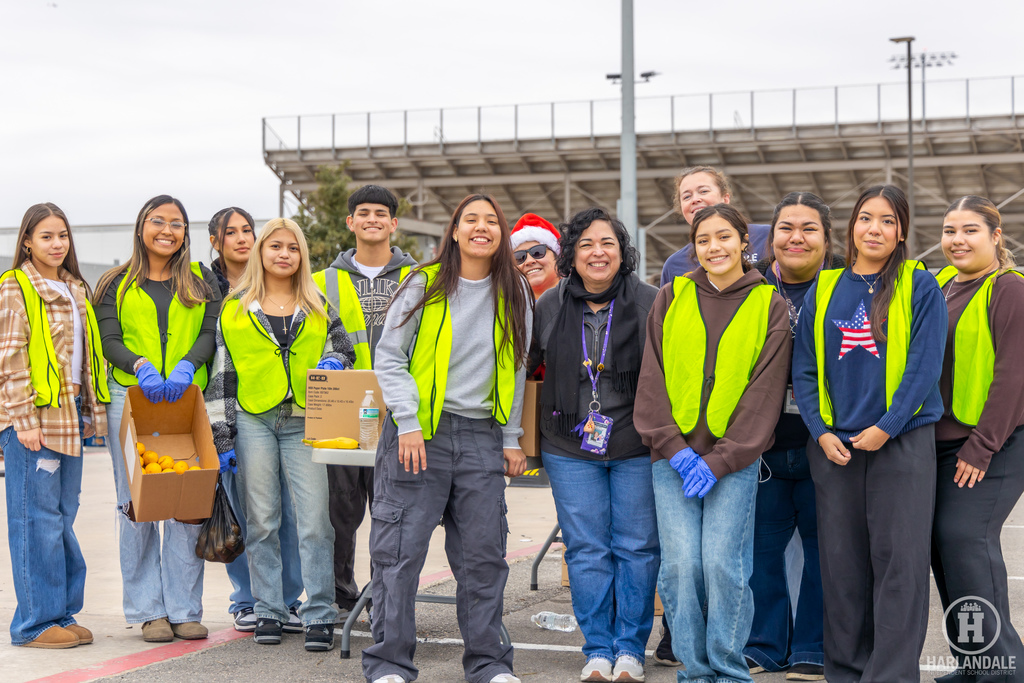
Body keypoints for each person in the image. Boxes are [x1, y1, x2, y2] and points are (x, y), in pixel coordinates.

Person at [363, 194, 531, 683]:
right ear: (454, 231)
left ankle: (489, 665)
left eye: (491, 221)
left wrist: (512, 436)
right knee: (399, 554)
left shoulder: (516, 289)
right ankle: (390, 664)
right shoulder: (423, 283)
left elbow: (516, 367)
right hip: (420, 434)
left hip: (481, 435)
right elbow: (388, 356)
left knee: (484, 558)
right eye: (470, 220)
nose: (482, 227)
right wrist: (409, 422)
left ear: (502, 234)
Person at [791, 185, 946, 682]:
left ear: (901, 230)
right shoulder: (826, 285)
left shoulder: (919, 286)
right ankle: (846, 670)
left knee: (898, 565)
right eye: (864, 218)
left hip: (901, 445)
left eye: (886, 220)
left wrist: (887, 426)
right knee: (842, 568)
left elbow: (923, 368)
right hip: (835, 448)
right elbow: (805, 370)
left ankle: (892, 674)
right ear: (852, 227)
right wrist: (818, 431)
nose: (874, 229)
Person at [636, 203, 791, 683]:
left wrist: (723, 459)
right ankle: (695, 670)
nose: (714, 248)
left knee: (723, 565)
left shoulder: (770, 304)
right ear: (694, 248)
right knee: (681, 567)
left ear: (746, 242)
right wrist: (676, 450)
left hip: (734, 462)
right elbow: (652, 378)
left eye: (724, 237)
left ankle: (727, 669)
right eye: (703, 240)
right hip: (673, 459)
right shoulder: (670, 296)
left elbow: (764, 393)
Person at [206, 218, 354, 651]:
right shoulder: (234, 307)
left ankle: (320, 613)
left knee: (313, 523)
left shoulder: (319, 303)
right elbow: (221, 376)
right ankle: (268, 609)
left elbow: (342, 349)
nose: (284, 254)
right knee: (263, 520)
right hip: (253, 419)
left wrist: (334, 364)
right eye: (275, 247)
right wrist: (222, 437)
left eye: (292, 247)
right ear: (261, 253)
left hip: (305, 421)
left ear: (301, 255)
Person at [527, 207, 658, 683]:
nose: (597, 253)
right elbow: (527, 370)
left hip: (636, 443)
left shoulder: (650, 301)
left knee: (638, 547)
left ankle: (630, 650)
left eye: (607, 243)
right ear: (571, 255)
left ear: (622, 251)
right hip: (568, 445)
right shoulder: (549, 305)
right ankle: (597, 648)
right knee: (585, 548)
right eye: (585, 245)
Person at [94, 195, 222, 643]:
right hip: (130, 398)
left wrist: (187, 365)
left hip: (187, 398)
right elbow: (109, 339)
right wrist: (142, 366)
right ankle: (150, 610)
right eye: (158, 221)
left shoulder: (202, 280)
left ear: (186, 232)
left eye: (178, 223)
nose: (167, 229)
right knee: (138, 502)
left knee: (186, 500)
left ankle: (185, 608)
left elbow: (210, 332)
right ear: (141, 226)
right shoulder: (115, 282)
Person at [0, 203, 109, 649]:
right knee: (35, 521)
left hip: (69, 421)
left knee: (62, 519)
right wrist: (23, 421)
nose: (57, 244)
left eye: (62, 235)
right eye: (46, 236)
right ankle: (34, 625)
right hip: (35, 424)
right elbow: (10, 358)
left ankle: (61, 613)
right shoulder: (15, 287)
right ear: (27, 240)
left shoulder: (74, 288)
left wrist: (91, 417)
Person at [745, 193, 842, 679]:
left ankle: (812, 648)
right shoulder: (752, 289)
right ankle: (764, 645)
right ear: (772, 237)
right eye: (786, 228)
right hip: (764, 446)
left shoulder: (847, 289)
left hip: (826, 443)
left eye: (808, 229)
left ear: (827, 239)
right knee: (762, 554)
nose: (796, 238)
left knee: (824, 552)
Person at [312, 184, 417, 622]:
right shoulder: (321, 281)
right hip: (342, 409)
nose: (372, 219)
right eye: (363, 213)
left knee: (392, 511)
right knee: (341, 511)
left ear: (394, 224)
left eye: (381, 214)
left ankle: (383, 599)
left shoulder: (420, 277)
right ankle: (341, 597)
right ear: (351, 222)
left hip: (399, 410)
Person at [931, 195, 1024, 678]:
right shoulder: (942, 285)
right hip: (940, 443)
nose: (957, 240)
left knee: (964, 537)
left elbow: (1013, 374)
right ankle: (975, 662)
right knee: (941, 546)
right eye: (950, 231)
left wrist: (982, 445)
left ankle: (1003, 668)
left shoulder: (1008, 289)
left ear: (995, 237)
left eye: (970, 230)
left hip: (995, 441)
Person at [206, 207, 305, 634]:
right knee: (249, 513)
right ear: (216, 240)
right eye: (232, 233)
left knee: (292, 511)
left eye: (249, 230)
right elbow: (218, 362)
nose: (242, 239)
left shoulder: (295, 287)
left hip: (289, 414)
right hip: (234, 409)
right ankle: (247, 599)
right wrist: (220, 429)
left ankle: (288, 599)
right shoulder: (208, 288)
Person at [659, 165, 771, 287]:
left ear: (725, 198)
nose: (695, 199)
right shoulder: (674, 264)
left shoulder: (767, 237)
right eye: (687, 197)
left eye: (703, 191)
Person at [511, 212, 561, 299]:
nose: (529, 261)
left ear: (557, 257)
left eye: (537, 252)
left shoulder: (581, 299)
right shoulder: (506, 306)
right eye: (519, 257)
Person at [208, 206, 255, 293]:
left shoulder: (273, 282)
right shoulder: (205, 290)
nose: (241, 239)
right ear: (215, 242)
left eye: (246, 231)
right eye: (231, 233)